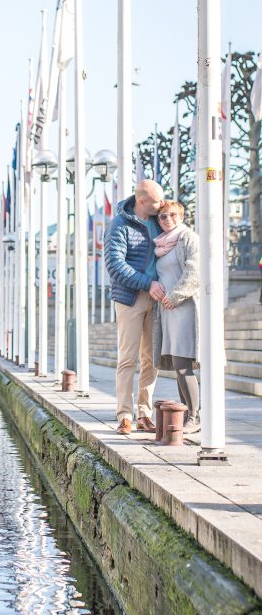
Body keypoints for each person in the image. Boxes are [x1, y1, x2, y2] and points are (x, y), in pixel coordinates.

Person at [104, 179, 166, 434]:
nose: (162, 204)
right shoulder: (119, 224)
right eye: (157, 201)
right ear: (141, 201)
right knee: (128, 358)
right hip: (130, 298)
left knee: (151, 359)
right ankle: (124, 415)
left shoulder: (160, 220)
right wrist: (147, 283)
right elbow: (115, 265)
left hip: (157, 299)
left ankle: (144, 414)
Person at [152, 200, 200, 433]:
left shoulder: (187, 238)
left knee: (182, 365)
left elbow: (195, 271)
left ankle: (195, 417)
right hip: (167, 312)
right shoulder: (160, 245)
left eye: (173, 214)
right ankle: (185, 413)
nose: (168, 219)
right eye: (163, 216)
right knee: (178, 365)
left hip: (184, 308)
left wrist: (175, 296)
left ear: (181, 216)